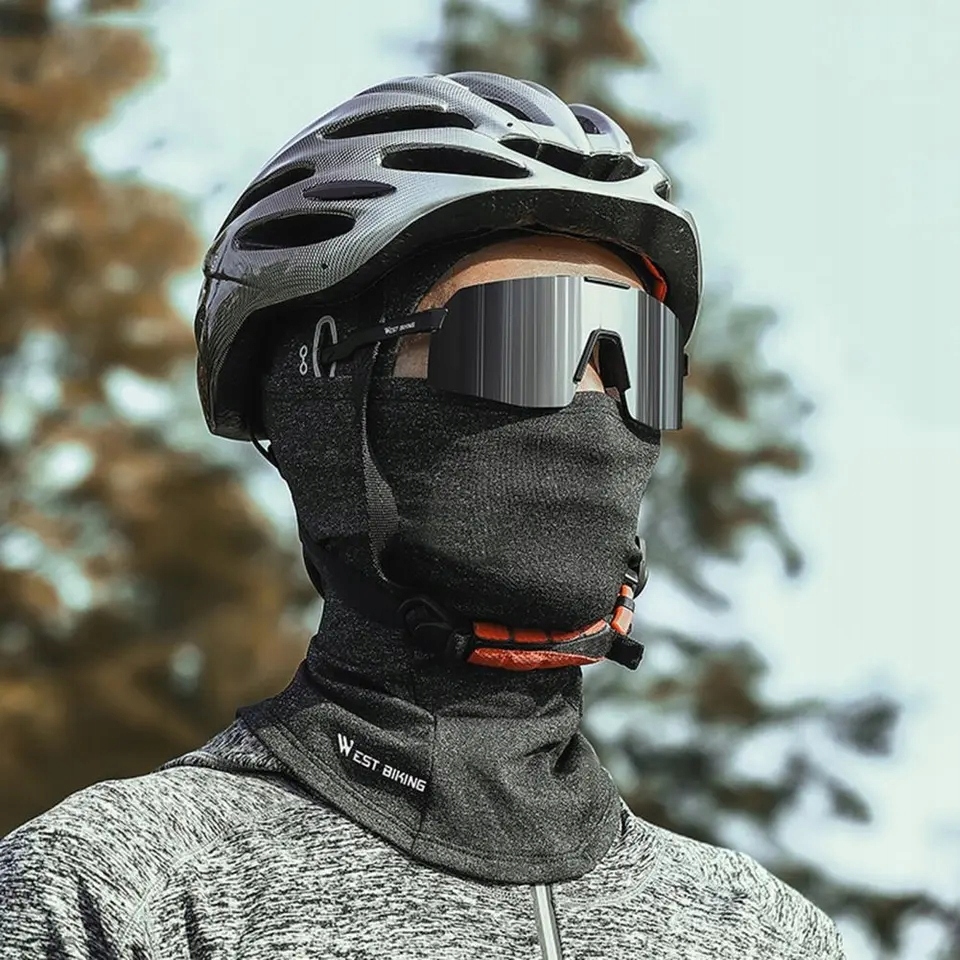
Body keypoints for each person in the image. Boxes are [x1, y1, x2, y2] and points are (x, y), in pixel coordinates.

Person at [0, 71, 845, 959]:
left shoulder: (761, 932)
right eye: (521, 338)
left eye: (641, 356)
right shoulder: (121, 895)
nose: (595, 403)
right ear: (323, 402)